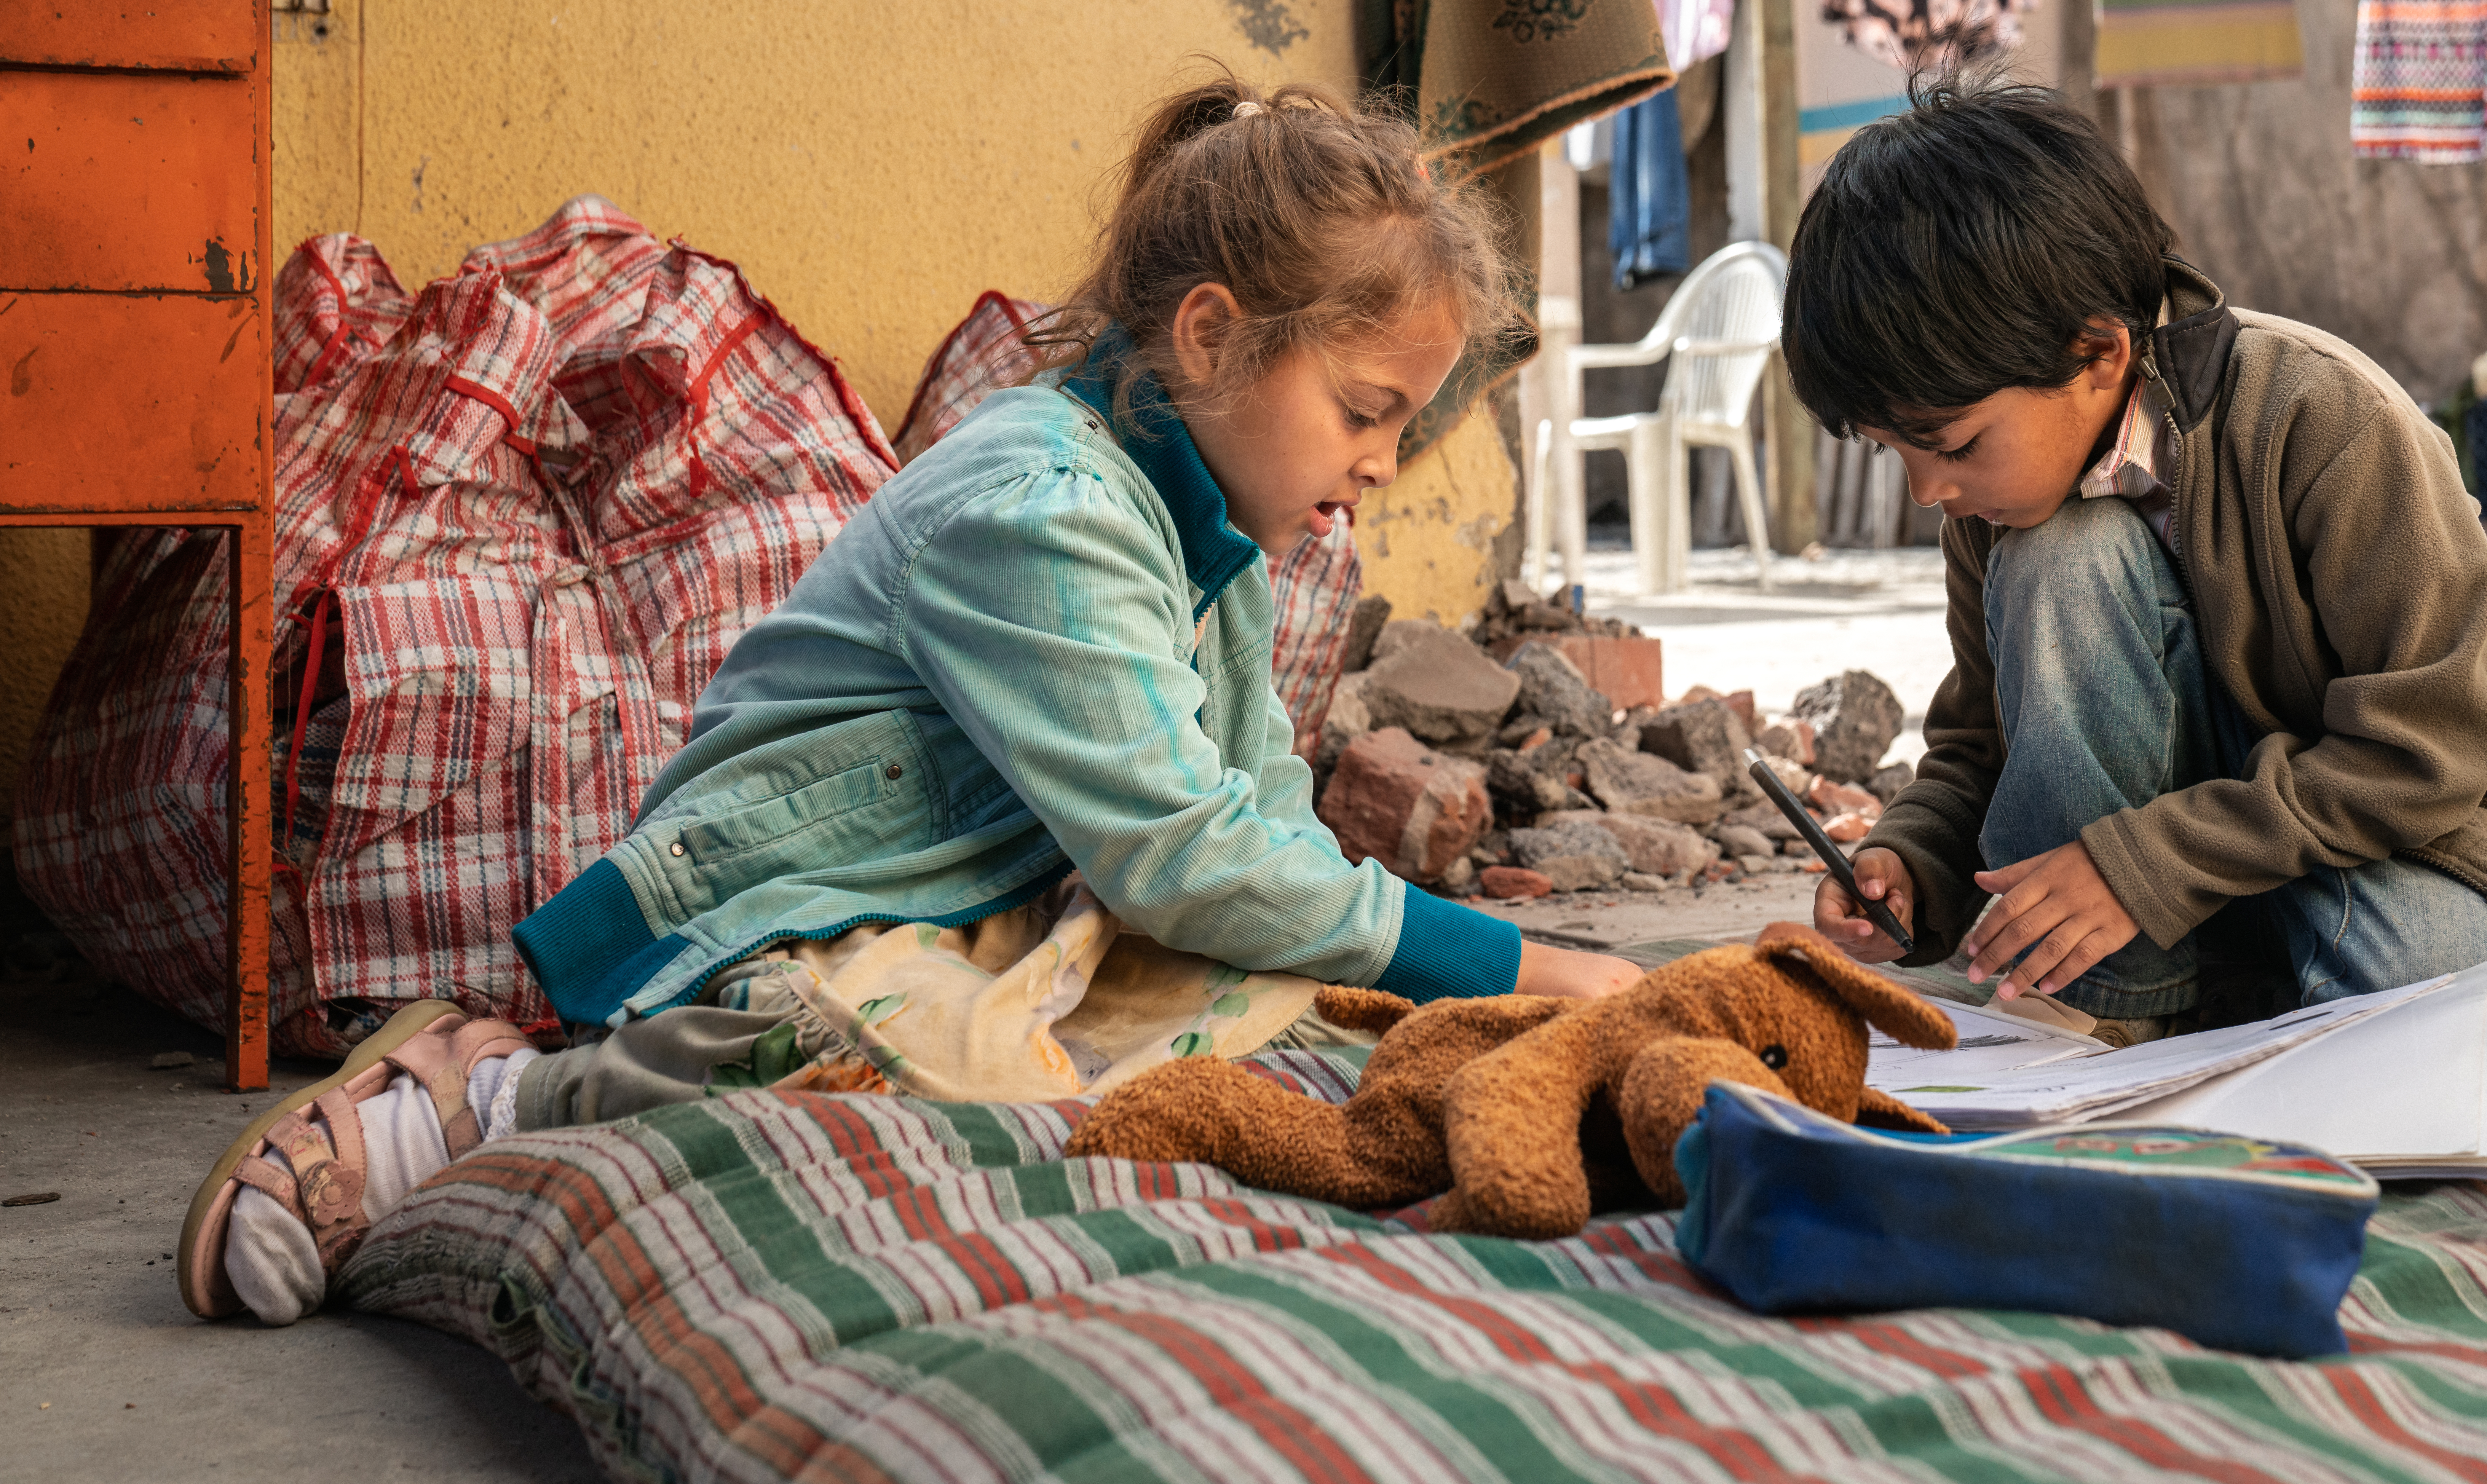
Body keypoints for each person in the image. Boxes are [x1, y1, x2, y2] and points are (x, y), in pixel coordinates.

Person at [185, 75, 1639, 1323]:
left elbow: (1261, 839)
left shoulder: (1226, 555)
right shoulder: (1043, 511)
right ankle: (477, 1101)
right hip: (792, 907)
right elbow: (1189, 859)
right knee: (895, 1065)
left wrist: (1413, 970)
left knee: (1266, 1015)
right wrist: (1513, 961)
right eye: (1367, 409)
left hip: (976, 902)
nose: (1383, 460)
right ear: (1209, 337)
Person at [1791, 62, 2487, 1041]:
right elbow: (1982, 745)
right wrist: (1913, 863)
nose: (1930, 491)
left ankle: (2219, 981)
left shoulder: (2331, 421)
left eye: (1953, 444)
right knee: (2064, 558)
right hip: (2136, 909)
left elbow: (2424, 754)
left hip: (2360, 839)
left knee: (2447, 1011)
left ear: (2097, 355)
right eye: (1897, 454)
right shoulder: (2002, 507)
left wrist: (2144, 866)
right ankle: (2107, 1005)